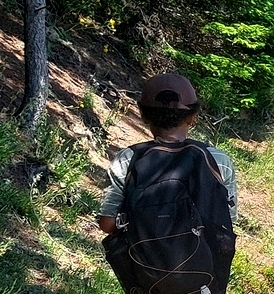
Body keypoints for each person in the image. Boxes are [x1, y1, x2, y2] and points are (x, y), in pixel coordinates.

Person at [98, 73, 238, 294]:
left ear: (143, 115)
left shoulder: (127, 159)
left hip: (146, 280)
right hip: (203, 282)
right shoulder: (218, 160)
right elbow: (227, 223)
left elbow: (107, 224)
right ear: (193, 117)